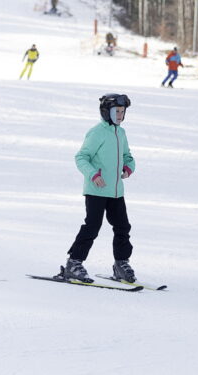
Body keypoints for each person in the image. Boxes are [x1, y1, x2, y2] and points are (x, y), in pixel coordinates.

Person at [61, 94, 137, 283]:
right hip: (96, 190)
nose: (120, 115)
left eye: (122, 112)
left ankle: (121, 263)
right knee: (92, 226)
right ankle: (74, 263)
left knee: (122, 227)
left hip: (116, 191)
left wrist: (129, 167)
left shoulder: (121, 133)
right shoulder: (97, 132)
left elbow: (128, 156)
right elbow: (81, 157)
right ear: (106, 113)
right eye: (116, 112)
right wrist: (94, 174)